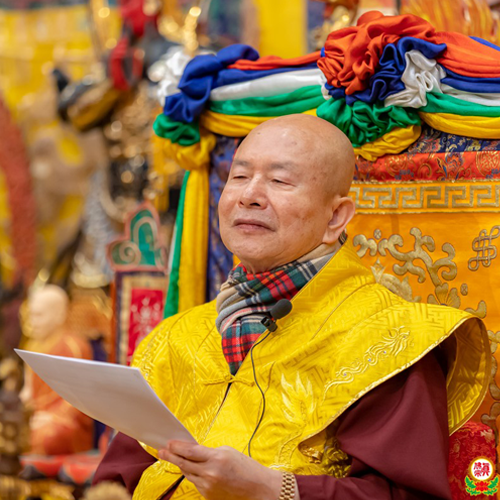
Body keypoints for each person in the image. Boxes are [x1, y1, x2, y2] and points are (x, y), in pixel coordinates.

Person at [94, 114, 490, 500]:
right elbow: (116, 479)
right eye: (239, 176)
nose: (249, 195)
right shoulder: (177, 337)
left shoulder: (392, 341)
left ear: (336, 216)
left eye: (279, 180)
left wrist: (272, 490)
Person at [21, 285, 94, 455]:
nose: (32, 322)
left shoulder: (74, 347)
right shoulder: (32, 347)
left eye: (39, 315)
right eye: (30, 315)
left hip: (66, 421)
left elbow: (80, 397)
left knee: (47, 436)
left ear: (59, 315)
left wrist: (52, 417)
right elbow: (27, 393)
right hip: (36, 416)